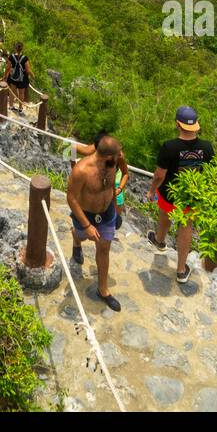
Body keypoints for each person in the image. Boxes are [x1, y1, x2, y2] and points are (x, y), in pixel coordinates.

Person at [147, 106, 216, 284]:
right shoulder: (207, 148)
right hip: (191, 198)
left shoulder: (169, 147)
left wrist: (152, 190)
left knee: (164, 214)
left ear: (178, 124)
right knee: (186, 228)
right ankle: (180, 270)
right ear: (196, 125)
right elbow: (212, 175)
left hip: (169, 194)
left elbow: (160, 175)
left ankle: (160, 241)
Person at [67, 135, 123, 312]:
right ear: (108, 156)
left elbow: (113, 186)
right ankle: (76, 239)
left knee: (104, 247)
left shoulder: (114, 162)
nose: (120, 155)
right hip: (86, 215)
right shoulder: (82, 170)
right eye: (116, 153)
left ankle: (103, 290)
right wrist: (86, 226)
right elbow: (71, 198)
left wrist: (116, 207)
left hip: (107, 213)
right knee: (83, 237)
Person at [73, 130, 129, 229]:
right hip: (96, 192)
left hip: (115, 187)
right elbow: (69, 146)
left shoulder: (117, 155)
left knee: (115, 222)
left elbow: (125, 173)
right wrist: (73, 167)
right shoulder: (93, 151)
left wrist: (119, 188)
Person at [4, 43, 31, 112]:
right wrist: (32, 76)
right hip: (22, 79)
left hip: (13, 77)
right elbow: (28, 70)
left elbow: (7, 67)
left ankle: (11, 106)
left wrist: (5, 76)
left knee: (12, 92)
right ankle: (20, 108)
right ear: (22, 48)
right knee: (21, 93)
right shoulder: (25, 58)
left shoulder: (11, 57)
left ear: (15, 48)